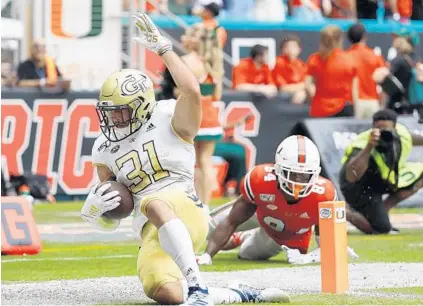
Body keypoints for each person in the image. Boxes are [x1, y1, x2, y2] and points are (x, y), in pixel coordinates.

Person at [80, 12, 289, 306]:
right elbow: (116, 208)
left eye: (119, 111)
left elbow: (191, 90)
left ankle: (198, 287)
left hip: (187, 210)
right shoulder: (104, 147)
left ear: (141, 106)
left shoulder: (167, 117)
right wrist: (94, 209)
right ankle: (239, 293)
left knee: (153, 201)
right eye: (109, 111)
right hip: (148, 227)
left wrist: (164, 49)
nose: (112, 118)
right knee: (166, 293)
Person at [197, 135, 358, 265]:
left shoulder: (324, 194)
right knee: (204, 227)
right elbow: (231, 221)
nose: (298, 181)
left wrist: (306, 259)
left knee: (247, 254)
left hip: (286, 235)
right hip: (259, 210)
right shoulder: (260, 179)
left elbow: (330, 246)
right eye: (292, 174)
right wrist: (207, 255)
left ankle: (244, 237)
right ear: (278, 169)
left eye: (305, 175)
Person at [340, 110, 423, 235]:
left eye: (387, 129)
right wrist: (369, 146)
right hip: (359, 186)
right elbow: (351, 176)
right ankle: (343, 211)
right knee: (381, 229)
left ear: (395, 127)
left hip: (383, 179)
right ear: (373, 128)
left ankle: (383, 210)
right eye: (379, 128)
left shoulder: (402, 135)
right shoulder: (363, 143)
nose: (384, 132)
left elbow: (415, 139)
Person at [305, 25, 358, 118]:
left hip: (320, 109)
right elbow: (355, 91)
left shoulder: (314, 59)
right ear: (340, 40)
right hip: (343, 109)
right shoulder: (349, 59)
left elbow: (307, 86)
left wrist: (316, 99)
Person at [373, 28, 421, 115]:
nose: (394, 40)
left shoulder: (398, 61)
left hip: (397, 107)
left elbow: (379, 76)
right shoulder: (417, 60)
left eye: (397, 37)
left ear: (404, 41)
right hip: (413, 107)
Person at [347, 23, 386, 119]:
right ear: (364, 36)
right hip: (372, 102)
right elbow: (384, 80)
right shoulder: (374, 56)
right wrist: (382, 104)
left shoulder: (345, 57)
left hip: (353, 103)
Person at [272, 35, 307, 105]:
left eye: (294, 46)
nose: (290, 49)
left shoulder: (301, 64)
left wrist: (303, 92)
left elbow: (309, 83)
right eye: (287, 47)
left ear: (299, 49)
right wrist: (304, 88)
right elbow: (283, 88)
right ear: (282, 49)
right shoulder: (278, 63)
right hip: (280, 102)